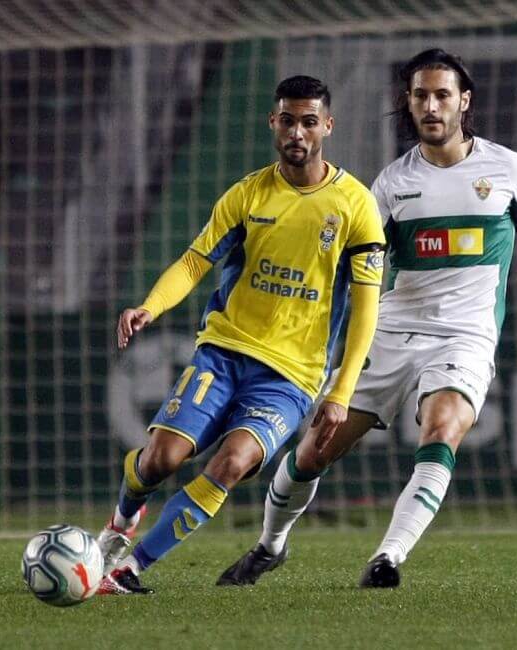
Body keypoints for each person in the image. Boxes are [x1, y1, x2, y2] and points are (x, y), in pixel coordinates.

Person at [217, 49, 517, 589]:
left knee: (443, 428)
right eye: (419, 96)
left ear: (464, 101)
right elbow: (354, 271)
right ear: (407, 103)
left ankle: (387, 559)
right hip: (390, 332)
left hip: (465, 336)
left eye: (441, 95)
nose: (430, 106)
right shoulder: (389, 185)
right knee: (313, 452)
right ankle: (270, 547)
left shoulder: (508, 170)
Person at [96, 75, 386, 595]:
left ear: (327, 127)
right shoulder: (248, 194)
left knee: (231, 464)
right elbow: (193, 262)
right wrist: (150, 306)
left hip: (291, 377)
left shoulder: (356, 206)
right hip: (223, 355)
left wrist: (340, 392)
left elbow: (366, 311)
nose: (298, 132)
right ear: (273, 123)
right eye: (288, 121)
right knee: (161, 460)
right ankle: (120, 522)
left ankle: (130, 568)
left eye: (309, 122)